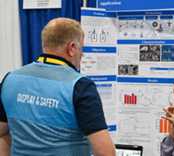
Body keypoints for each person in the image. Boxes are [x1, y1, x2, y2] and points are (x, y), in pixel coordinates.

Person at [0, 17, 115, 156]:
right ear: (72, 48)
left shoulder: (10, 79)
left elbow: (2, 133)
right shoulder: (80, 86)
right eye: (81, 48)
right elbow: (105, 153)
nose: (82, 54)